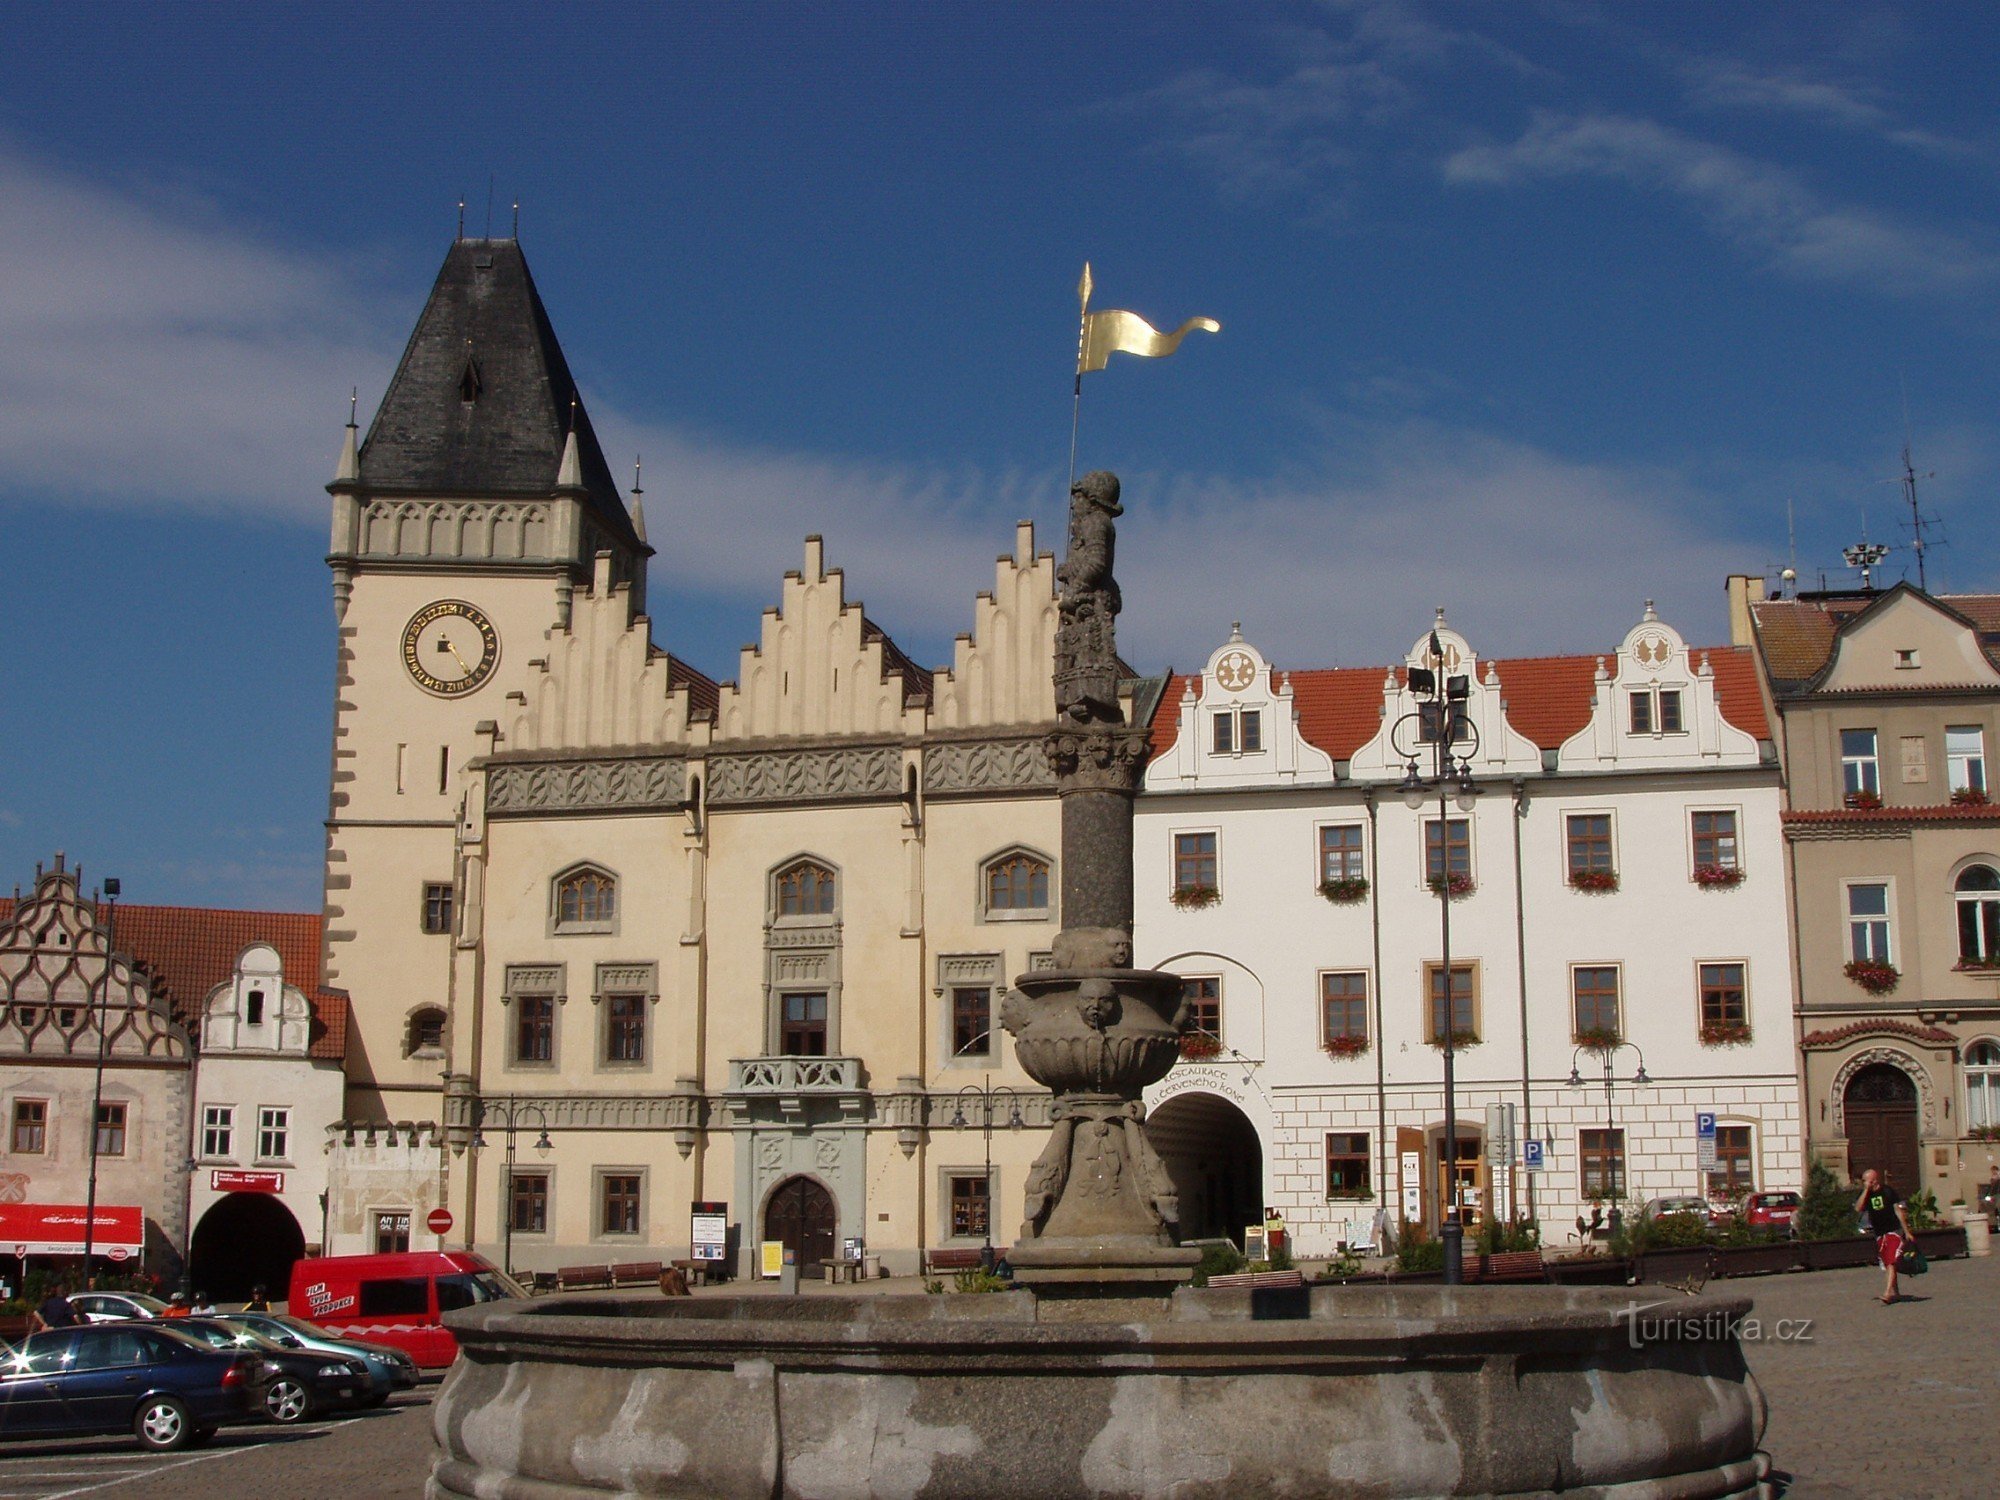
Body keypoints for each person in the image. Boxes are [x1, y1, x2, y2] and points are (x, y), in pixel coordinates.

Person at [1854, 1167, 1917, 1304]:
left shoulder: (1887, 1191)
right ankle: (1896, 1292)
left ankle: (1888, 1292)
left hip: (1893, 1230)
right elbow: (1858, 1208)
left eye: (1866, 1180)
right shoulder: (1867, 1194)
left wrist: (1906, 1231)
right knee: (1888, 1262)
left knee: (1890, 1261)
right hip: (1879, 1233)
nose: (1864, 1182)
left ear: (1874, 1180)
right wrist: (1866, 1190)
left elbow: (1898, 1211)